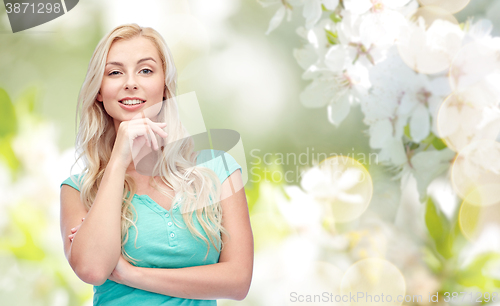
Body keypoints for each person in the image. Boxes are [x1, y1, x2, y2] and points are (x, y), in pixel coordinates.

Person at [59, 23, 254, 305]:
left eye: (146, 70)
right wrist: (118, 160)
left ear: (164, 86)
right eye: (115, 72)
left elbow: (237, 282)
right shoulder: (78, 188)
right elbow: (92, 269)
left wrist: (129, 274)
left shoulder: (219, 169)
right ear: (99, 91)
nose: (130, 82)